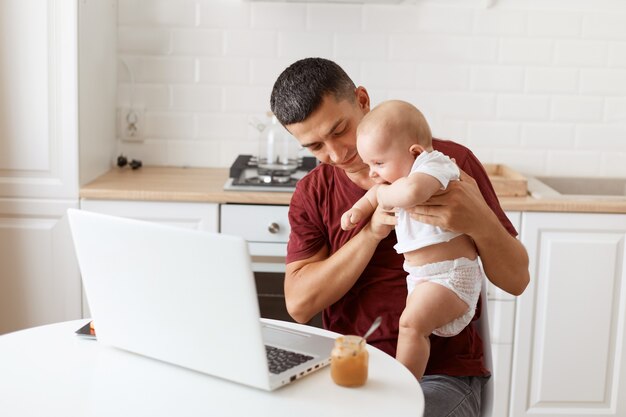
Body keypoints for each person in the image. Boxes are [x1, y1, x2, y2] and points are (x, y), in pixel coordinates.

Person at [270, 57, 529, 417]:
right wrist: (371, 232)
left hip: (441, 374)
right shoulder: (313, 192)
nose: (336, 153)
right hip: (354, 368)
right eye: (315, 147)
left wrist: (479, 221)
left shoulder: (447, 164)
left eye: (340, 129)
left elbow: (517, 280)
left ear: (362, 100)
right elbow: (299, 304)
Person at [341, 100, 484, 381]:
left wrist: (382, 195)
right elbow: (374, 194)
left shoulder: (434, 165)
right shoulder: (393, 178)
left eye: (378, 163)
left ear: (415, 152)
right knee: (410, 326)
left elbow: (411, 193)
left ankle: (405, 387)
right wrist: (358, 211)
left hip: (451, 276)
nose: (372, 173)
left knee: (410, 326)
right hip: (421, 277)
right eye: (369, 164)